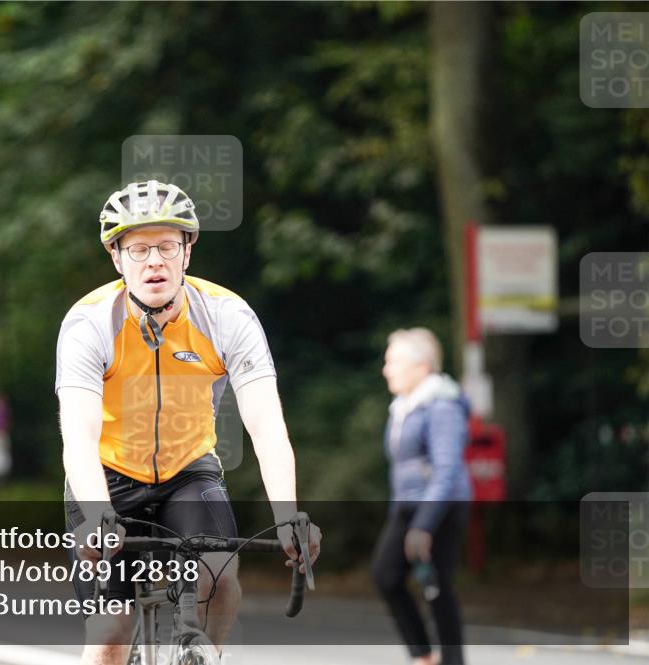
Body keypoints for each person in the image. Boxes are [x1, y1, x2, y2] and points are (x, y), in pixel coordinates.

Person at [55, 180, 321, 665]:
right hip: (106, 475)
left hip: (187, 470)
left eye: (167, 246)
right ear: (117, 259)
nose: (153, 260)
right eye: (138, 248)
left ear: (187, 253)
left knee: (219, 576)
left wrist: (287, 517)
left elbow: (266, 426)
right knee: (110, 629)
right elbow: (78, 435)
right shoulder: (88, 323)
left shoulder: (227, 315)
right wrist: (96, 517)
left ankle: (204, 657)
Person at [372, 328, 473, 665]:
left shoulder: (442, 405)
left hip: (440, 506)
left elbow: (446, 470)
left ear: (422, 366)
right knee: (386, 575)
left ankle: (452, 660)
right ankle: (424, 656)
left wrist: (424, 525)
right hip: (407, 507)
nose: (386, 369)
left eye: (393, 361)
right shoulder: (404, 406)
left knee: (436, 586)